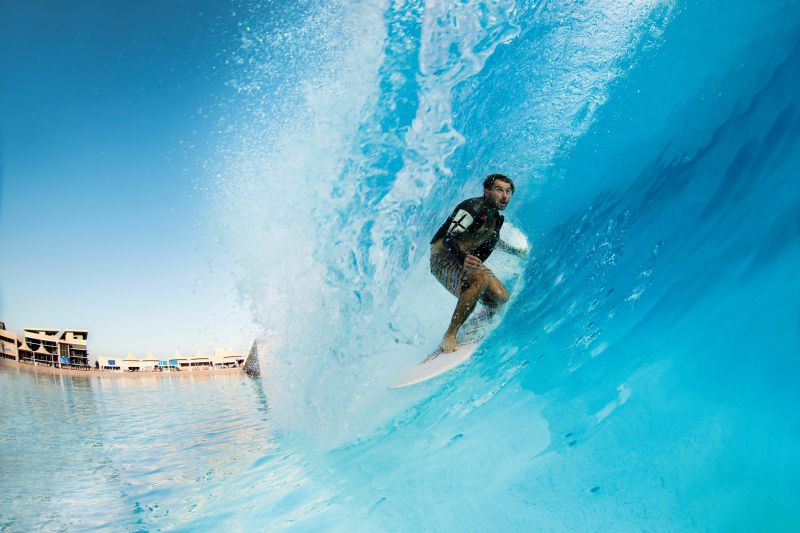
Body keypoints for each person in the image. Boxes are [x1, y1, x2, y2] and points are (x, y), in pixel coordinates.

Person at [430, 173, 527, 352]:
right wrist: (463, 258)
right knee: (480, 278)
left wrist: (514, 252)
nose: (504, 196)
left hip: (465, 261)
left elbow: (493, 240)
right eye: (499, 190)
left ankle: (480, 312)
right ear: (487, 191)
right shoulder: (471, 208)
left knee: (501, 298)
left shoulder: (496, 219)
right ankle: (450, 335)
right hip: (443, 259)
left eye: (508, 191)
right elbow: (448, 239)